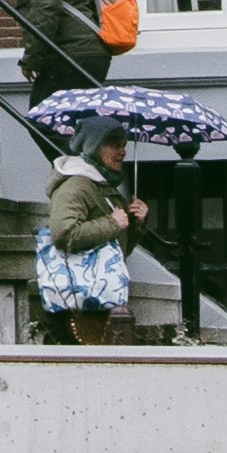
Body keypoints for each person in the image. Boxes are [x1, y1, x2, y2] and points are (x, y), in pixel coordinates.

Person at [36, 138, 151, 336]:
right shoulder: (75, 186)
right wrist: (112, 223)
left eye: (124, 145)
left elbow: (118, 251)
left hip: (97, 299)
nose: (122, 152)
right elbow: (63, 233)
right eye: (115, 144)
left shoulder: (104, 188)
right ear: (94, 147)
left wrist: (137, 224)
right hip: (75, 305)